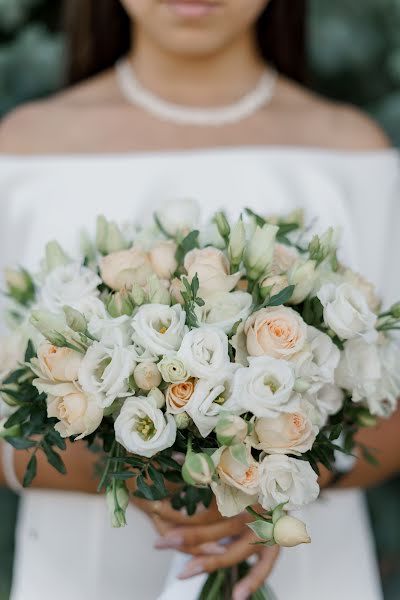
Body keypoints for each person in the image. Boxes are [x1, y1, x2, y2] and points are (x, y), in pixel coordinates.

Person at [0, 1, 399, 599]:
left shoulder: (350, 152)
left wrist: (267, 486)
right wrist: (144, 470)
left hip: (308, 570)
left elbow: (389, 414)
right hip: (85, 573)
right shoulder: (25, 151)